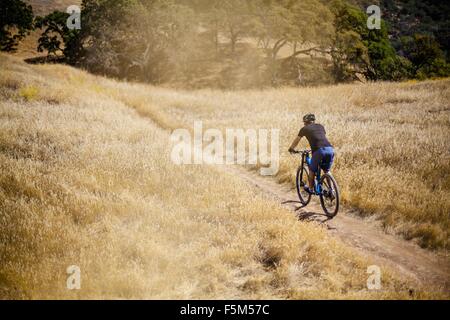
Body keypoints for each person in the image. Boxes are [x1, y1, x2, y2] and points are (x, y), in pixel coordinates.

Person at [288, 114, 334, 194]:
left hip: (319, 151)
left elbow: (297, 140)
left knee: (312, 170)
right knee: (326, 170)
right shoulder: (320, 126)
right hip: (330, 149)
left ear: (305, 122)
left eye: (304, 122)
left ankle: (311, 189)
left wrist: (291, 148)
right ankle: (332, 190)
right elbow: (320, 137)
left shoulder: (304, 129)